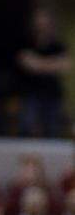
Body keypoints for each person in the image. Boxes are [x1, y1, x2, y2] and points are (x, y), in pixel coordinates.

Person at [16, 8, 71, 138]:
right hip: (31, 93)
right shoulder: (27, 42)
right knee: (27, 127)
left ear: (50, 24)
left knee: (53, 129)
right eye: (39, 22)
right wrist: (52, 63)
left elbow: (66, 65)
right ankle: (28, 157)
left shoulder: (58, 45)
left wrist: (38, 63)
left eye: (45, 22)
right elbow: (26, 64)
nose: (42, 26)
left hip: (52, 94)